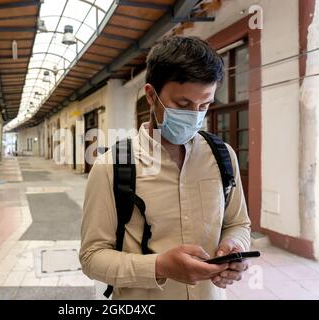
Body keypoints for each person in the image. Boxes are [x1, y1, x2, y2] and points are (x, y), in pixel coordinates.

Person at [80, 36, 251, 300]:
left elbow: (238, 223)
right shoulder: (111, 167)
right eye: (183, 105)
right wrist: (159, 266)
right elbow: (92, 258)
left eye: (204, 106)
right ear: (151, 95)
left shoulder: (222, 156)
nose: (195, 115)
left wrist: (235, 247)